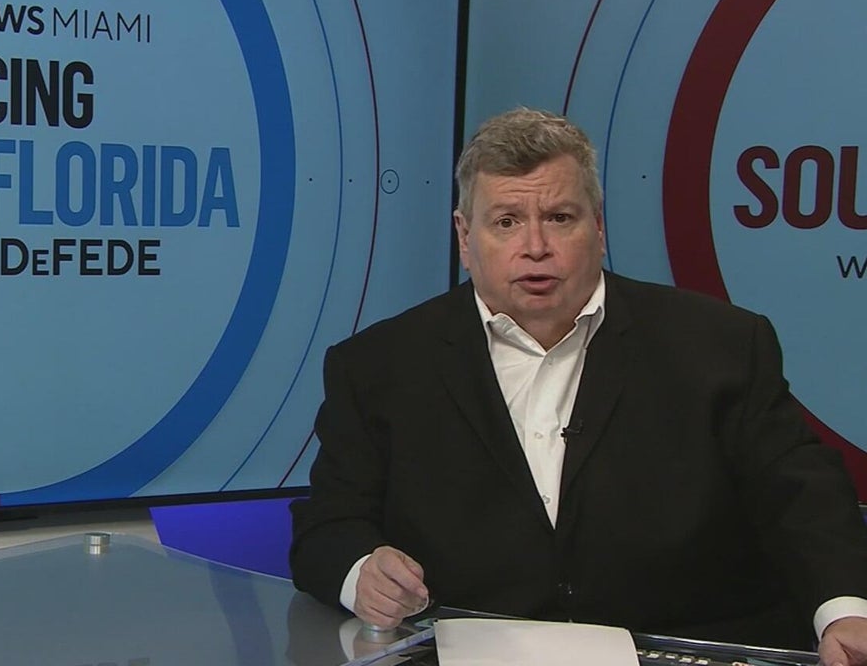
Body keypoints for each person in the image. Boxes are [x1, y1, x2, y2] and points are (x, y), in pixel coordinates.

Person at [289, 107, 867, 663]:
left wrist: (843, 612)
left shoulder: (719, 345)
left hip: (682, 647)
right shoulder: (379, 365)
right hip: (474, 653)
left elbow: (802, 496)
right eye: (506, 222)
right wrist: (360, 573)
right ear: (465, 237)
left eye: (560, 218)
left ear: (598, 227)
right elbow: (327, 526)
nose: (535, 247)